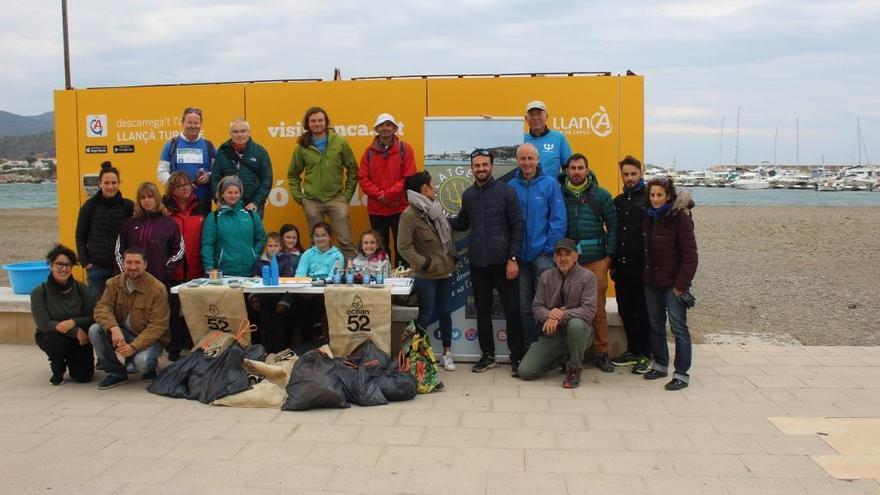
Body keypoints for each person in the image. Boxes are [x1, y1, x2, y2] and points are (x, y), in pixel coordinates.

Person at [450, 149, 525, 374]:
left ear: (492, 166)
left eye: (484, 165)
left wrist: (513, 258)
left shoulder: (507, 192)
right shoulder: (468, 195)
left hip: (504, 263)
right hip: (478, 264)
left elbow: (518, 226)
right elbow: (462, 223)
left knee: (512, 310)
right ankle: (488, 355)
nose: (481, 169)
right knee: (482, 310)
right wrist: (436, 218)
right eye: (477, 166)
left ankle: (517, 357)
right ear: (472, 168)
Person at [561, 153, 618, 373]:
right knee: (567, 307)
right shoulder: (560, 194)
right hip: (567, 262)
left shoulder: (601, 195)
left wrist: (608, 258)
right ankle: (568, 353)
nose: (576, 172)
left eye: (580, 168)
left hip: (596, 260)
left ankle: (602, 353)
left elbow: (613, 226)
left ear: (587, 170)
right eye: (572, 168)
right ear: (567, 170)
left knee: (597, 309)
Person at [642, 177, 698, 391]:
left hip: (674, 284)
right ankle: (659, 364)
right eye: (653, 195)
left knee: (678, 328)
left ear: (668, 196)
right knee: (655, 326)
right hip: (652, 282)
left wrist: (682, 284)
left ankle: (682, 373)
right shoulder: (648, 218)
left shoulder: (680, 218)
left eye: (660, 195)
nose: (656, 199)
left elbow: (690, 255)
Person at [509, 143, 567, 349]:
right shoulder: (511, 186)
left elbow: (558, 219)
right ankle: (528, 347)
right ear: (518, 161)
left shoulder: (550, 184)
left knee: (547, 304)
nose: (526, 163)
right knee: (525, 306)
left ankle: (549, 348)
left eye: (530, 158)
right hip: (519, 258)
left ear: (538, 159)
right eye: (523, 159)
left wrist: (549, 249)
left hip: (543, 255)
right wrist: (512, 253)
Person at [517, 239, 597, 388]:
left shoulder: (588, 277)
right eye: (559, 254)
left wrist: (560, 314)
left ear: (576, 256)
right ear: (554, 258)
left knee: (575, 325)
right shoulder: (546, 276)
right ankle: (563, 357)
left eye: (568, 254)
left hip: (580, 333)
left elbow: (589, 310)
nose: (563, 258)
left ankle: (574, 369)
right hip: (552, 335)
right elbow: (537, 307)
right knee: (525, 372)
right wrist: (548, 315)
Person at [397, 172, 457, 371]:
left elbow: (446, 237)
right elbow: (403, 247)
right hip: (426, 276)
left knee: (446, 313)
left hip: (445, 272)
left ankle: (447, 354)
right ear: (424, 189)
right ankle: (416, 356)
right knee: (424, 316)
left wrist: (451, 257)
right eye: (433, 185)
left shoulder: (435, 211)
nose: (436, 188)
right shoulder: (409, 215)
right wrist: (424, 263)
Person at [88, 248, 170, 389]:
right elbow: (102, 308)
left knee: (143, 363)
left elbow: (158, 326)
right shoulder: (113, 284)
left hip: (148, 339)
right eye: (129, 262)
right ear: (123, 264)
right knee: (94, 330)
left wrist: (133, 347)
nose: (133, 267)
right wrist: (113, 328)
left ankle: (148, 367)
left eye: (137, 262)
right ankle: (116, 373)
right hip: (122, 334)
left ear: (145, 265)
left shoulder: (157, 289)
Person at [287, 106, 359, 260]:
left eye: (320, 120)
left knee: (345, 240)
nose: (317, 123)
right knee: (316, 242)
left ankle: (352, 274)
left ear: (326, 122)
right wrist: (300, 198)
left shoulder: (339, 143)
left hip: (336, 199)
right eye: (313, 121)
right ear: (308, 124)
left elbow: (353, 169)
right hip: (312, 201)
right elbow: (292, 174)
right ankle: (317, 272)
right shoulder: (302, 146)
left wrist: (346, 196)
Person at [610, 156, 652, 373]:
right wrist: (613, 263)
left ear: (641, 173)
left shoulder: (649, 200)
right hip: (622, 267)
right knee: (626, 310)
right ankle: (633, 351)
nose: (629, 178)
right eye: (625, 174)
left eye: (633, 174)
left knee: (643, 312)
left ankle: (647, 354)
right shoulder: (618, 202)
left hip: (643, 268)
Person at [30, 245, 95, 385]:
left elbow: (92, 316)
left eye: (68, 265)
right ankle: (57, 368)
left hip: (80, 336)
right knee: (55, 341)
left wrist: (74, 322)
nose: (64, 269)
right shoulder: (39, 292)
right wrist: (74, 330)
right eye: (59, 264)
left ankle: (72, 360)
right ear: (51, 265)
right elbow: (44, 323)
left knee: (83, 376)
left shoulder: (81, 288)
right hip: (52, 335)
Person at [357, 113, 416, 264]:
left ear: (395, 128)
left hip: (400, 208)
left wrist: (387, 195)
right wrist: (379, 194)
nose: (385, 128)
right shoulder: (368, 152)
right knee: (380, 248)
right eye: (382, 125)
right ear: (376, 129)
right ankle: (383, 277)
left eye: (389, 125)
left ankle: (402, 278)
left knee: (401, 246)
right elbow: (363, 178)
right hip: (376, 209)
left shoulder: (405, 149)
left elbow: (409, 177)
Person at [75, 161, 135, 300]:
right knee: (97, 307)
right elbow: (80, 235)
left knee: (121, 305)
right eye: (106, 183)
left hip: (121, 267)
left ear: (119, 183)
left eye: (114, 183)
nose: (110, 186)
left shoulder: (128, 206)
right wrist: (86, 262)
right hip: (96, 267)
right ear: (100, 183)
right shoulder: (89, 206)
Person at [163, 171, 205, 360]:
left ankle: (195, 344)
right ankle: (174, 348)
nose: (186, 188)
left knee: (195, 309)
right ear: (173, 189)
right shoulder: (165, 209)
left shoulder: (201, 206)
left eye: (188, 183)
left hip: (196, 264)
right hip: (174, 268)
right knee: (173, 310)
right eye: (180, 185)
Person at [115, 182, 184, 287]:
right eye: (143, 198)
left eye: (150, 196)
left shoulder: (169, 223)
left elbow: (179, 250)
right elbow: (118, 251)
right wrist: (124, 272)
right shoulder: (129, 223)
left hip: (159, 282)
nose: (147, 200)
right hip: (132, 281)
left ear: (157, 198)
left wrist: (166, 270)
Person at [201, 175, 267, 277]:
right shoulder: (214, 217)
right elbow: (207, 244)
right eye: (229, 192)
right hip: (223, 273)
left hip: (249, 273)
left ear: (240, 194)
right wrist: (209, 268)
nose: (233, 195)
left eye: (236, 192)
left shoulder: (251, 215)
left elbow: (261, 238)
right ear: (222, 194)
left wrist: (254, 255)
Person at [157, 107, 216, 215]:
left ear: (201, 124)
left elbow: (217, 171)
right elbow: (161, 171)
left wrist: (209, 176)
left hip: (202, 201)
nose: (193, 126)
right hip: (177, 203)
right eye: (189, 122)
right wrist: (177, 185)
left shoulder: (209, 146)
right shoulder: (171, 145)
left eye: (196, 123)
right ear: (182, 123)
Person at [210, 118, 273, 217]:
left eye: (243, 131)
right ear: (230, 133)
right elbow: (215, 178)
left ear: (249, 132)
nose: (239, 135)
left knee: (253, 232)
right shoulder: (222, 152)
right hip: (227, 205)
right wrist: (217, 199)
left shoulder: (260, 152)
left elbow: (267, 180)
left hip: (252, 205)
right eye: (235, 132)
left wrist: (256, 202)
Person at [294, 222, 345, 344]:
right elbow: (299, 275)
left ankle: (323, 339)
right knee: (301, 303)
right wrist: (309, 282)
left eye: (323, 235)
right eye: (317, 235)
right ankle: (306, 344)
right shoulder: (308, 253)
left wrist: (321, 282)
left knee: (319, 303)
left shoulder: (337, 255)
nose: (320, 238)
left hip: (327, 291)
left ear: (330, 237)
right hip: (308, 291)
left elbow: (334, 276)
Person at [250, 232, 297, 353]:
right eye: (270, 246)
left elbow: (289, 282)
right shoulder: (260, 262)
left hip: (279, 302)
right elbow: (253, 282)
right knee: (265, 330)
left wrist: (285, 302)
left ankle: (279, 356)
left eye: (275, 245)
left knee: (279, 330)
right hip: (264, 302)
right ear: (266, 246)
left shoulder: (285, 259)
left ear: (280, 246)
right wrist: (254, 299)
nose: (272, 248)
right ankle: (266, 354)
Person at [523, 100, 572, 180]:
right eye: (532, 115)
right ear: (526, 118)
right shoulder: (521, 139)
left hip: (551, 191)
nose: (535, 118)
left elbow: (568, 167)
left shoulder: (559, 138)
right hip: (526, 189)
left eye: (539, 114)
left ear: (546, 116)